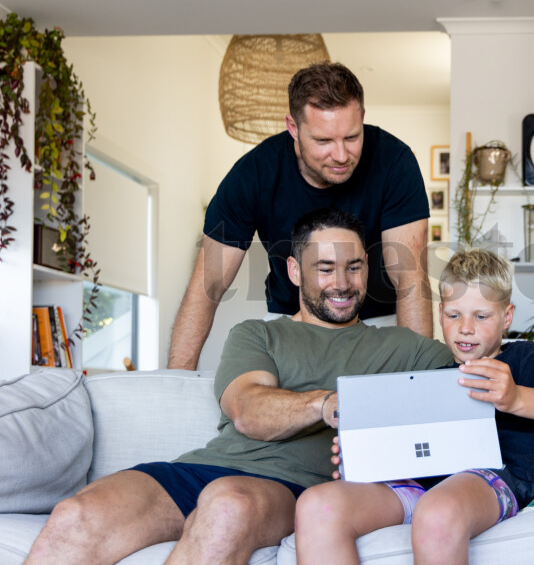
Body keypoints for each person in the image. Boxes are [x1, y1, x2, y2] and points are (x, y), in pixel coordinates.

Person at [25, 209, 454, 565]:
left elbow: (471, 386)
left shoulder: (406, 349)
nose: (342, 283)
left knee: (226, 506)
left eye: (354, 267)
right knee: (74, 515)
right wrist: (325, 405)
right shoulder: (258, 335)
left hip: (293, 487)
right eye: (325, 268)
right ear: (293, 271)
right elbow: (248, 409)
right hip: (204, 467)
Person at [294, 247, 534, 565]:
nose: (465, 327)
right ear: (441, 313)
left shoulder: (524, 358)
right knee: (317, 505)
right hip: (420, 481)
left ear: (506, 317)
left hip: (492, 476)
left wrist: (517, 398)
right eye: (454, 315)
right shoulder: (431, 377)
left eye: (481, 316)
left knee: (438, 511)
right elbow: (408, 449)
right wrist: (364, 453)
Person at [168, 62, 433, 370]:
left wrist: (419, 381)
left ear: (362, 117)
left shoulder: (394, 162)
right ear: (293, 128)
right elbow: (207, 285)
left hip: (378, 320)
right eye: (323, 141)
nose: (341, 155)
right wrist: (177, 384)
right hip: (291, 320)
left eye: (351, 137)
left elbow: (409, 278)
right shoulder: (253, 175)